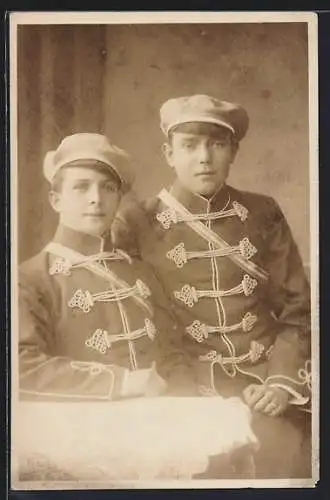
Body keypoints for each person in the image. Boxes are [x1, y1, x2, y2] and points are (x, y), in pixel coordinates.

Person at [113, 95, 312, 477]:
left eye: (216, 144)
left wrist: (281, 382)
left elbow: (297, 309)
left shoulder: (262, 211)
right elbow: (137, 325)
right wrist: (182, 393)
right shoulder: (135, 221)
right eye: (189, 145)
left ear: (233, 151)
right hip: (187, 387)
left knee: (287, 466)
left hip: (266, 379)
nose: (204, 157)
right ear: (169, 153)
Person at [18, 133, 193, 401]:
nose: (96, 199)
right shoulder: (28, 279)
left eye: (107, 188)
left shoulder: (140, 272)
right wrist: (121, 382)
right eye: (81, 187)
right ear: (56, 200)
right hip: (80, 428)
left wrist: (186, 402)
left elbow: (172, 354)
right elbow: (19, 367)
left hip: (158, 419)